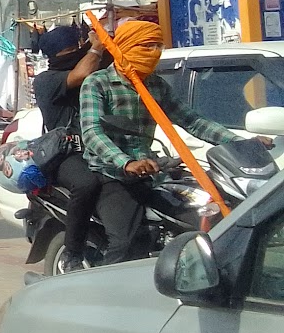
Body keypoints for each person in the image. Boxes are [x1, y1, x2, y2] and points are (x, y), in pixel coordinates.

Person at [78, 19, 257, 265]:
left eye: (158, 47)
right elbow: (92, 132)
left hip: (153, 172)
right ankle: (110, 284)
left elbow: (193, 121)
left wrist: (241, 143)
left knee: (201, 219)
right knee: (125, 242)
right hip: (111, 174)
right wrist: (126, 162)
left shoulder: (156, 85)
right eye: (147, 46)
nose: (154, 53)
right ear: (125, 47)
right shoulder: (97, 83)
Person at [31, 26, 107, 272]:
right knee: (86, 184)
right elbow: (81, 73)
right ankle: (73, 253)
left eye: (79, 47)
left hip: (101, 148)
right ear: (57, 55)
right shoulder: (46, 80)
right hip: (66, 154)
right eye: (71, 49)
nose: (78, 52)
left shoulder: (96, 71)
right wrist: (96, 48)